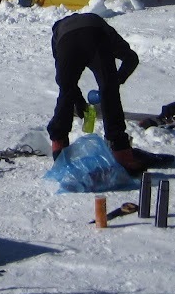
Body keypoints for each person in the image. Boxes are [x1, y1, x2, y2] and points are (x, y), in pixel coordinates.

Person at [46, 12, 160, 175]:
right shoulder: (103, 28)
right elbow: (131, 59)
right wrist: (115, 81)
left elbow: (65, 82)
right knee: (109, 91)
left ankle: (59, 146)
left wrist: (80, 104)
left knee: (66, 90)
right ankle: (121, 151)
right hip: (95, 36)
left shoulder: (58, 33)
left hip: (68, 41)